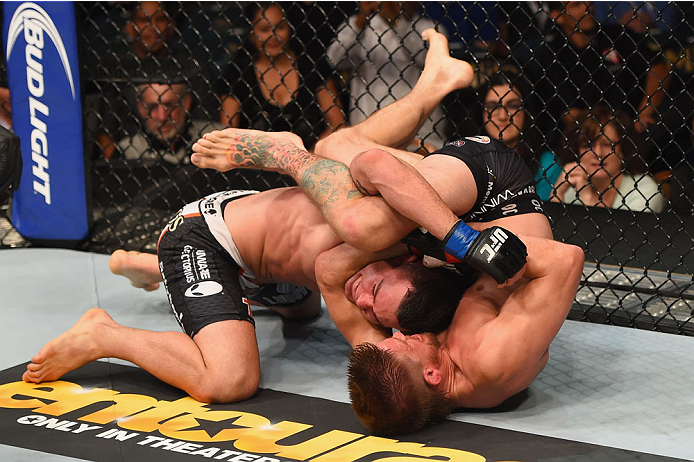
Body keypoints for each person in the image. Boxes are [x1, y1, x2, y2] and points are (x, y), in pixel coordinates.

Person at [22, 29, 490, 402]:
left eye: (377, 315)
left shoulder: (419, 255)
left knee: (305, 313)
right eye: (376, 291)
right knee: (229, 380)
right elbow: (341, 150)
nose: (362, 303)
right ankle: (103, 333)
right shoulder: (382, 225)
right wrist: (283, 153)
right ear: (413, 262)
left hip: (269, 250)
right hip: (207, 236)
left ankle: (156, 271)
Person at [347, 234, 584, 435]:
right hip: (508, 239)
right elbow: (565, 260)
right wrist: (460, 239)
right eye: (406, 345)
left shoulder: (425, 365)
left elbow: (334, 281)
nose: (399, 335)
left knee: (334, 263)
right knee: (368, 223)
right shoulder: (491, 359)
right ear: (431, 375)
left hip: (460, 251)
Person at [215, 2, 344, 150]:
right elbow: (227, 138)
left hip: (313, 163)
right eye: (264, 29)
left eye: (280, 27)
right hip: (254, 167)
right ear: (251, 33)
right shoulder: (236, 74)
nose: (274, 36)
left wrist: (305, 161)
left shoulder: (312, 65)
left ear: (290, 28)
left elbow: (338, 126)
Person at [326, 1, 447, 150]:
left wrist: (394, 20)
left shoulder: (429, 29)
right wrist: (360, 22)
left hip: (420, 131)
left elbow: (423, 56)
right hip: (367, 126)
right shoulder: (358, 25)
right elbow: (334, 60)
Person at [551, 105, 667, 213]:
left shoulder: (644, 190)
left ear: (624, 150)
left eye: (607, 145)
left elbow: (619, 234)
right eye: (587, 145)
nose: (598, 153)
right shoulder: (571, 189)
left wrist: (587, 197)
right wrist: (557, 193)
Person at [476, 71, 559, 201]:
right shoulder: (471, 158)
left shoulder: (548, 164)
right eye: (492, 107)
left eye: (513, 106)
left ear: (527, 111)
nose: (502, 116)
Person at [117, 67, 224, 167]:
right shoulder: (127, 150)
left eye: (170, 105)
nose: (162, 117)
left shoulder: (219, 138)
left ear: (186, 103)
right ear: (141, 108)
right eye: (152, 107)